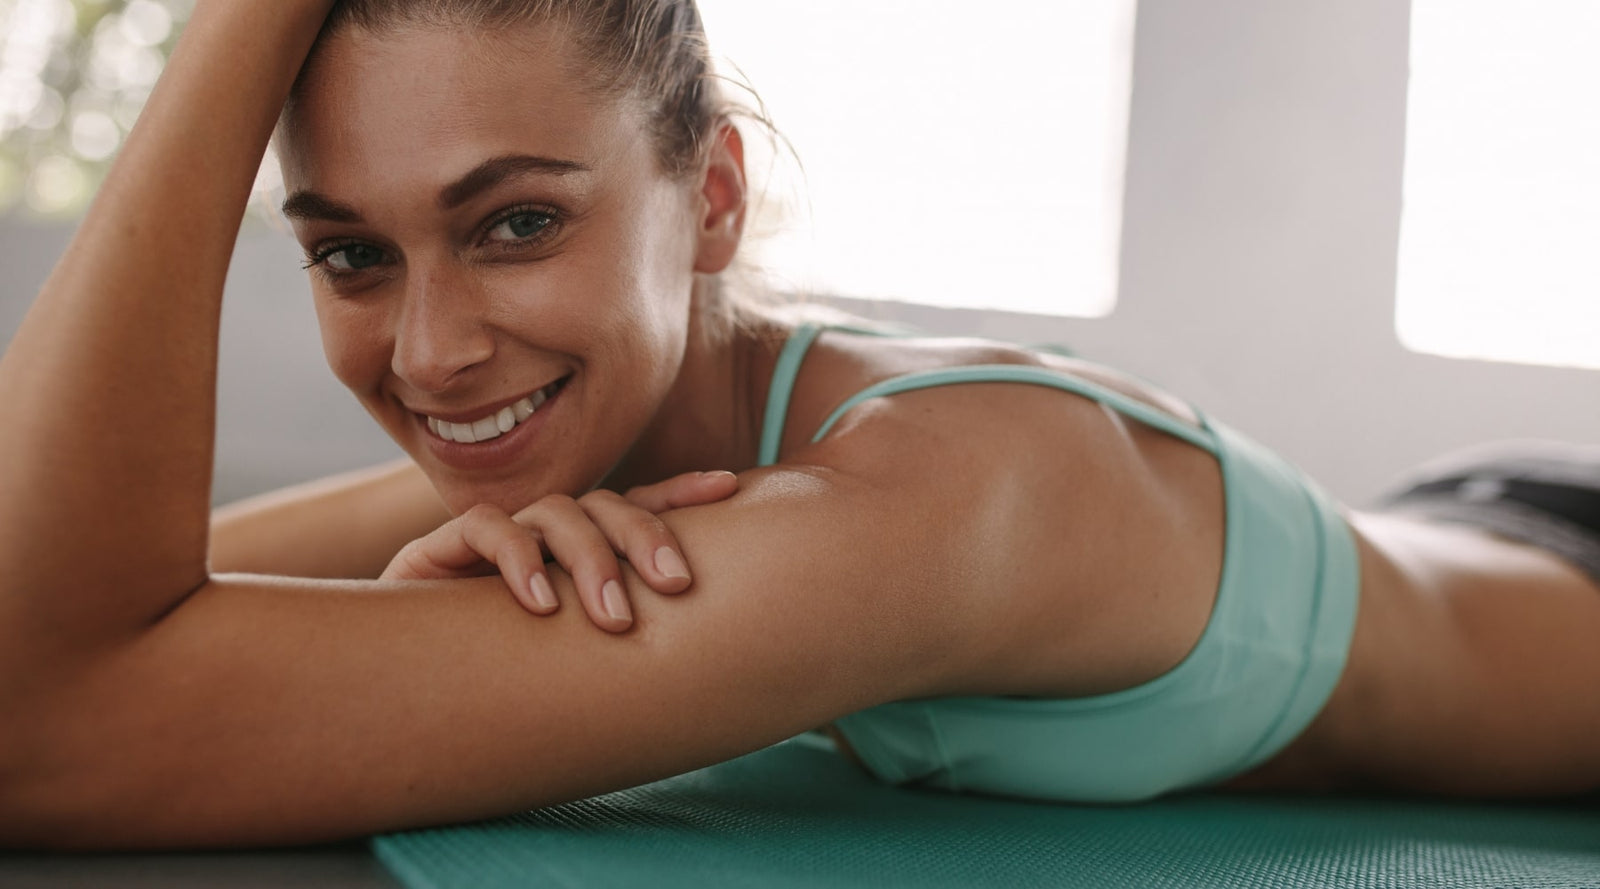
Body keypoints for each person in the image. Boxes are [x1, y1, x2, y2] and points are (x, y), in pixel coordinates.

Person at [1, 0, 1597, 852]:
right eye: (351, 250)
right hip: (1452, 521)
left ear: (707, 198)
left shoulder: (921, 507)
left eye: (514, 226)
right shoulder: (623, 428)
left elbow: (45, 723)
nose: (430, 350)